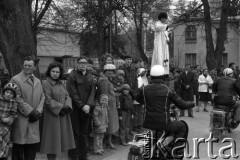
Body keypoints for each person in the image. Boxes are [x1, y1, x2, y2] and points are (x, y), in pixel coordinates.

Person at [135, 65, 194, 159]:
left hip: (147, 125)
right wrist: (192, 103)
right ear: (163, 77)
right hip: (164, 125)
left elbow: (138, 98)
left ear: (151, 77)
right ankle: (175, 154)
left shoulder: (144, 89)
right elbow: (182, 105)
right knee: (183, 126)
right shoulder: (167, 90)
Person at [10, 56, 45, 160]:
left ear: (35, 67)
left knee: (31, 148)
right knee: (19, 148)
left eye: (30, 65)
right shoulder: (15, 79)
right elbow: (16, 97)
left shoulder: (38, 81)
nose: (27, 67)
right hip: (22, 119)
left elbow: (42, 97)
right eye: (25, 65)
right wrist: (31, 112)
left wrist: (38, 112)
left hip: (34, 120)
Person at [40, 62, 75, 160]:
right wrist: (60, 108)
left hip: (63, 115)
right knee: (52, 142)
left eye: (57, 72)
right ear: (49, 72)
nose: (55, 73)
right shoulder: (45, 83)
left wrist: (67, 106)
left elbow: (67, 96)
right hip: (52, 116)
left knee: (60, 141)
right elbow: (47, 99)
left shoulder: (61, 83)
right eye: (53, 71)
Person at [67, 56, 95, 160]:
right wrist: (82, 105)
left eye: (84, 62)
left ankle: (83, 155)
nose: (83, 64)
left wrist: (88, 105)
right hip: (75, 109)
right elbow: (72, 93)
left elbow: (93, 91)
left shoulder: (90, 76)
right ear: (77, 64)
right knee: (75, 133)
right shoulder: (72, 76)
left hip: (87, 109)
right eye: (81, 62)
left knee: (84, 133)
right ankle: (74, 155)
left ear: (87, 64)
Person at [97, 64, 119, 149]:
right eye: (108, 70)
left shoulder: (108, 80)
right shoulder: (103, 80)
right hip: (107, 105)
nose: (110, 72)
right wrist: (106, 106)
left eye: (112, 71)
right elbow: (104, 95)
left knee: (111, 125)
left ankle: (108, 142)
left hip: (112, 105)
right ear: (104, 71)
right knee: (107, 125)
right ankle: (104, 143)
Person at [0, 83, 18, 160]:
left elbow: (14, 113)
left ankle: (4, 157)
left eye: (11, 93)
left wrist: (10, 118)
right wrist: (1, 118)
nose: (8, 94)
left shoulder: (13, 102)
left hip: (5, 128)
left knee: (5, 145)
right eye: (7, 92)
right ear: (3, 92)